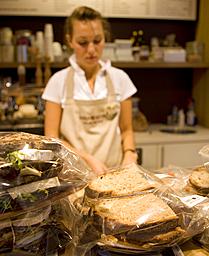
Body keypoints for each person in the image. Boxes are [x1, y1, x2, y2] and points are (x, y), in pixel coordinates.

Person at [42, 6, 138, 175]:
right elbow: (52, 138)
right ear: (70, 41)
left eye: (97, 40)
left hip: (113, 172)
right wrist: (87, 159)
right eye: (82, 43)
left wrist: (130, 153)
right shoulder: (58, 82)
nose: (91, 50)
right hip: (74, 175)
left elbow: (126, 129)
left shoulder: (120, 78)